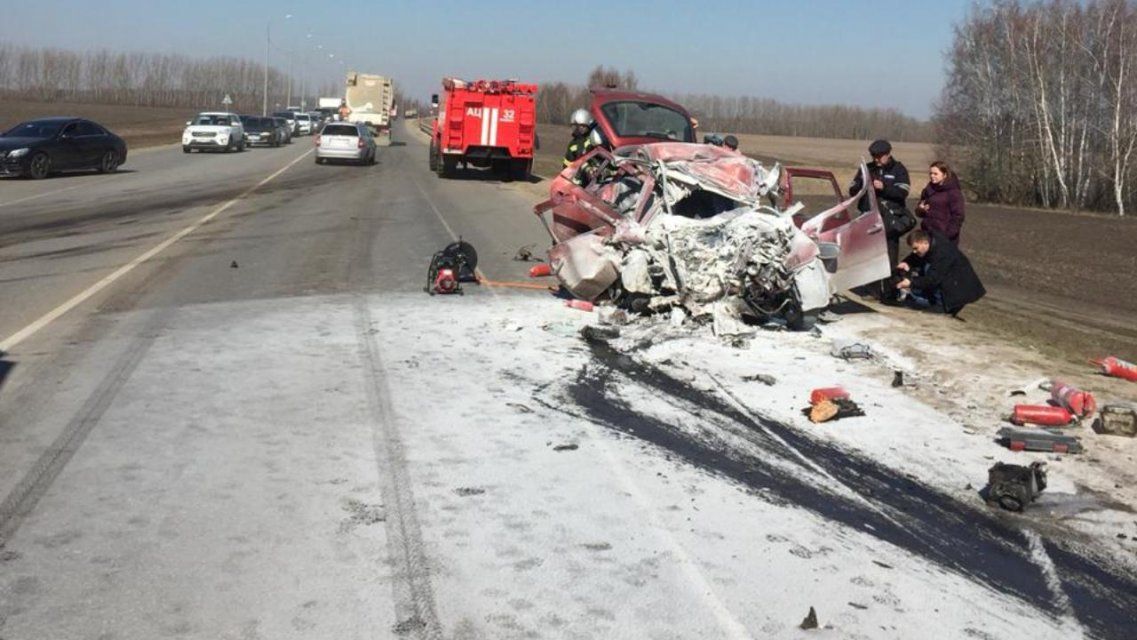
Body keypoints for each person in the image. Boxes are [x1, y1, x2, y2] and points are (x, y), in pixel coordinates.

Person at [849, 139, 911, 302]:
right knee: (869, 255)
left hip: (890, 221)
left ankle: (890, 293)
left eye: (879, 156)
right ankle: (872, 290)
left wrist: (884, 188)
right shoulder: (867, 169)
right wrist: (863, 183)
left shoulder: (899, 170)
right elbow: (852, 189)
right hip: (869, 218)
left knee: (889, 256)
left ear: (888, 154)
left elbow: (902, 192)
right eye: (873, 156)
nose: (876, 159)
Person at [895, 229, 985, 315]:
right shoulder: (931, 243)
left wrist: (910, 282)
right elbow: (916, 256)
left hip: (959, 289)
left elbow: (932, 279)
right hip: (953, 284)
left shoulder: (942, 253)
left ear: (925, 242)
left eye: (915, 248)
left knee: (927, 269)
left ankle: (941, 306)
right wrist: (907, 262)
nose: (914, 252)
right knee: (916, 292)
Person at [916, 161, 964, 245]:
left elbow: (958, 216)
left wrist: (947, 235)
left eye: (935, 174)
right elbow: (919, 211)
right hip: (927, 235)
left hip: (946, 237)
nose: (932, 176)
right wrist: (921, 209)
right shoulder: (928, 190)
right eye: (930, 173)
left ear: (944, 175)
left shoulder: (953, 192)